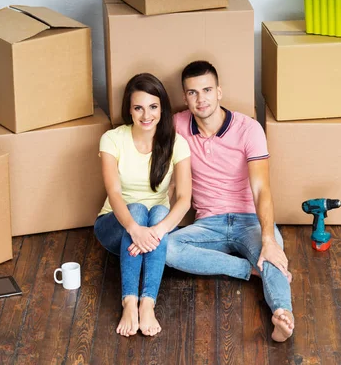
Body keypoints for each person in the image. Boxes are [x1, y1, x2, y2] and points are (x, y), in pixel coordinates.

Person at [165, 60, 294, 342]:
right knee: (166, 248)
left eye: (207, 90)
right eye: (192, 92)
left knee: (273, 257)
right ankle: (247, 270)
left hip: (249, 220)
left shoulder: (249, 129)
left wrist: (269, 239)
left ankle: (283, 315)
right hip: (207, 224)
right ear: (185, 97)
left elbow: (262, 190)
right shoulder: (177, 125)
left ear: (219, 91)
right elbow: (169, 179)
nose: (201, 99)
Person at [94, 73, 192, 338]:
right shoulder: (112, 139)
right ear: (130, 109)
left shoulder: (177, 143)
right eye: (138, 107)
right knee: (136, 209)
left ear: (162, 108)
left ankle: (147, 303)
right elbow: (114, 192)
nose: (146, 115)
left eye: (153, 107)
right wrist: (135, 229)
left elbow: (184, 199)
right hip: (115, 225)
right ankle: (129, 302)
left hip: (152, 232)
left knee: (160, 212)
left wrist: (156, 232)